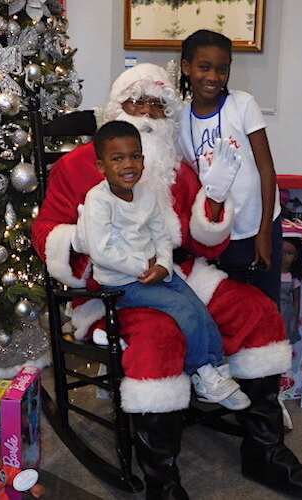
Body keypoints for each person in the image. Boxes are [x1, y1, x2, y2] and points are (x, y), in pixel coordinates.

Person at [32, 63, 302, 498]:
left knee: (256, 310)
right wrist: (92, 245)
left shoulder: (173, 167)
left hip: (177, 274)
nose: (147, 114)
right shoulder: (76, 169)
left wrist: (214, 198)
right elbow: (47, 233)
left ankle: (264, 451)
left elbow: (203, 244)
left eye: (157, 105)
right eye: (137, 102)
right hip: (110, 288)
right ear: (117, 107)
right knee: (160, 337)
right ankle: (162, 480)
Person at [82, 120, 250, 410]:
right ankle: (202, 371)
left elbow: (161, 234)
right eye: (118, 159)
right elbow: (102, 252)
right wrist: (141, 267)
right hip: (122, 281)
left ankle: (216, 366)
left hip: (156, 270)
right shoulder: (98, 200)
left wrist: (163, 264)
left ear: (143, 159)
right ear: (101, 166)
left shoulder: (147, 193)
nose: (128, 165)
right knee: (181, 310)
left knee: (196, 304)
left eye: (135, 156)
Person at [177, 29, 282, 304]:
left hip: (257, 224)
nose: (213, 77)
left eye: (222, 70)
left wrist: (264, 233)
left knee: (264, 304)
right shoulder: (179, 118)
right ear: (187, 67)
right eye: (204, 67)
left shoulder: (242, 104)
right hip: (218, 232)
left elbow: (266, 169)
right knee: (226, 305)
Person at [281, 238, 302, 344]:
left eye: (289, 254)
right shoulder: (271, 274)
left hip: (287, 314)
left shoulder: (293, 279)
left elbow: (296, 302)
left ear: (295, 257)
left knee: (285, 337)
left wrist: (296, 319)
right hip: (271, 310)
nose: (283, 257)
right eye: (281, 251)